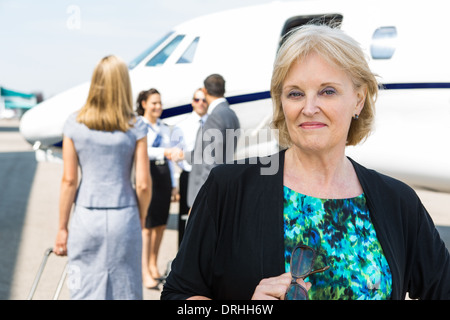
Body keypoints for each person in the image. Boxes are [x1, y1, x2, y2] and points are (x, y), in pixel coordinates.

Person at [161, 25, 450, 300]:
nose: (309, 108)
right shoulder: (228, 188)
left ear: (359, 100)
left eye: (328, 91)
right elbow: (178, 293)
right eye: (295, 93)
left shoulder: (398, 202)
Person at [53, 55, 151, 300]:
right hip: (124, 214)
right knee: (126, 289)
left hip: (87, 216)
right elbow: (142, 183)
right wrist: (139, 217)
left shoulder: (74, 124)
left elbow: (69, 181)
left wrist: (63, 228)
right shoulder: (135, 125)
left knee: (84, 290)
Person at [136, 88, 181, 289]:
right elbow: (143, 151)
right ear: (144, 104)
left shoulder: (163, 128)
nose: (158, 107)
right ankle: (144, 269)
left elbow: (170, 160)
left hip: (163, 177)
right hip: (148, 176)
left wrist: (173, 185)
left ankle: (153, 263)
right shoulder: (139, 126)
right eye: (154, 103)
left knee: (161, 225)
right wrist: (165, 151)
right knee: (147, 227)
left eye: (160, 103)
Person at [183, 74, 240, 208]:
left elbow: (210, 162)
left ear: (204, 91)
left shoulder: (215, 117)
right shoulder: (231, 115)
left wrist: (201, 200)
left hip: (208, 195)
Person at [171, 88, 208, 246]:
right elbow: (176, 153)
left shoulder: (213, 124)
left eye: (204, 100)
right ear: (192, 102)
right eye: (197, 100)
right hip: (189, 175)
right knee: (185, 218)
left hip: (207, 175)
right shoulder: (182, 126)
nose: (200, 103)